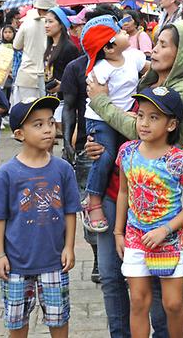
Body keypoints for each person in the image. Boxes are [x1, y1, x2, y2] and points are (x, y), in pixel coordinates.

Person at [85, 21, 183, 338]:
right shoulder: (149, 79)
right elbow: (125, 126)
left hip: (155, 210)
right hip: (119, 190)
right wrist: (97, 141)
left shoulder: (180, 91)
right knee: (113, 279)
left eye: (164, 44)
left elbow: (132, 124)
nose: (155, 49)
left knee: (158, 295)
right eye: (156, 43)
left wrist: (101, 101)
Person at [0, 95, 80, 337]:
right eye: (38, 124)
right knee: (16, 322)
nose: (48, 129)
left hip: (54, 261)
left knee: (59, 319)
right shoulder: (7, 173)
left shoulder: (63, 169)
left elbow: (70, 211)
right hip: (16, 264)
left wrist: (69, 247)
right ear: (19, 134)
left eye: (49, 122)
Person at [115, 87, 183, 338]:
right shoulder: (127, 152)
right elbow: (123, 192)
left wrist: (165, 229)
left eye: (154, 117)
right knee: (139, 303)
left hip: (171, 242)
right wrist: (118, 232)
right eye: (141, 115)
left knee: (172, 304)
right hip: (135, 239)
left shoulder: (180, 160)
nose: (144, 123)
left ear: (171, 124)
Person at [81, 16, 148, 232]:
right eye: (119, 31)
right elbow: (99, 97)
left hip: (121, 116)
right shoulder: (101, 69)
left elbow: (150, 69)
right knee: (106, 155)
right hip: (100, 117)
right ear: (109, 48)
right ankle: (93, 200)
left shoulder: (133, 57)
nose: (125, 31)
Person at [13, 0, 57, 105]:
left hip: (27, 74)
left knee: (26, 111)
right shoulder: (57, 25)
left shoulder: (27, 23)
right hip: (49, 76)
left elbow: (16, 45)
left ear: (37, 8)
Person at [44, 7, 81, 114]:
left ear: (61, 24)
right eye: (45, 21)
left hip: (65, 101)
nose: (46, 25)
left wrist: (63, 86)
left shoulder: (69, 48)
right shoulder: (49, 46)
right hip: (51, 97)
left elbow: (75, 77)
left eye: (50, 22)